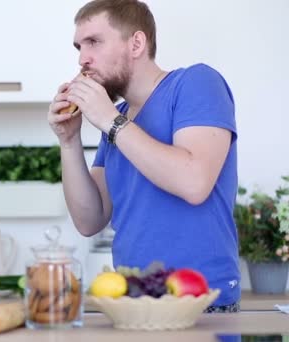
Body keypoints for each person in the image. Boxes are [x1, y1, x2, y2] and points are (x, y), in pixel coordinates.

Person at [48, 0, 239, 312]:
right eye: (78, 47)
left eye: (94, 42)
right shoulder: (117, 118)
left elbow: (194, 182)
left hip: (202, 302)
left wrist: (111, 121)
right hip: (131, 303)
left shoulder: (196, 83)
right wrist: (68, 141)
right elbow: (89, 219)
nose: (83, 59)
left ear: (136, 43)